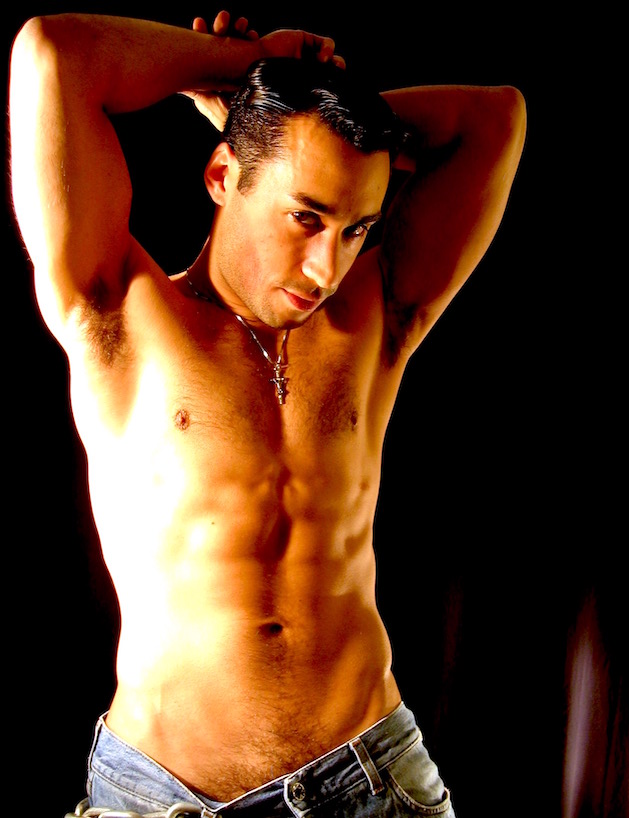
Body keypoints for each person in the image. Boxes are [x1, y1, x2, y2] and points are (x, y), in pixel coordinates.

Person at [9, 9, 526, 817]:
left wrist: (286, 113)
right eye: (306, 216)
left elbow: (495, 118)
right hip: (159, 796)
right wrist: (240, 66)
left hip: (370, 780)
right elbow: (54, 53)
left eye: (357, 229)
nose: (327, 267)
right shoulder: (117, 311)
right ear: (223, 175)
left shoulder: (376, 320)